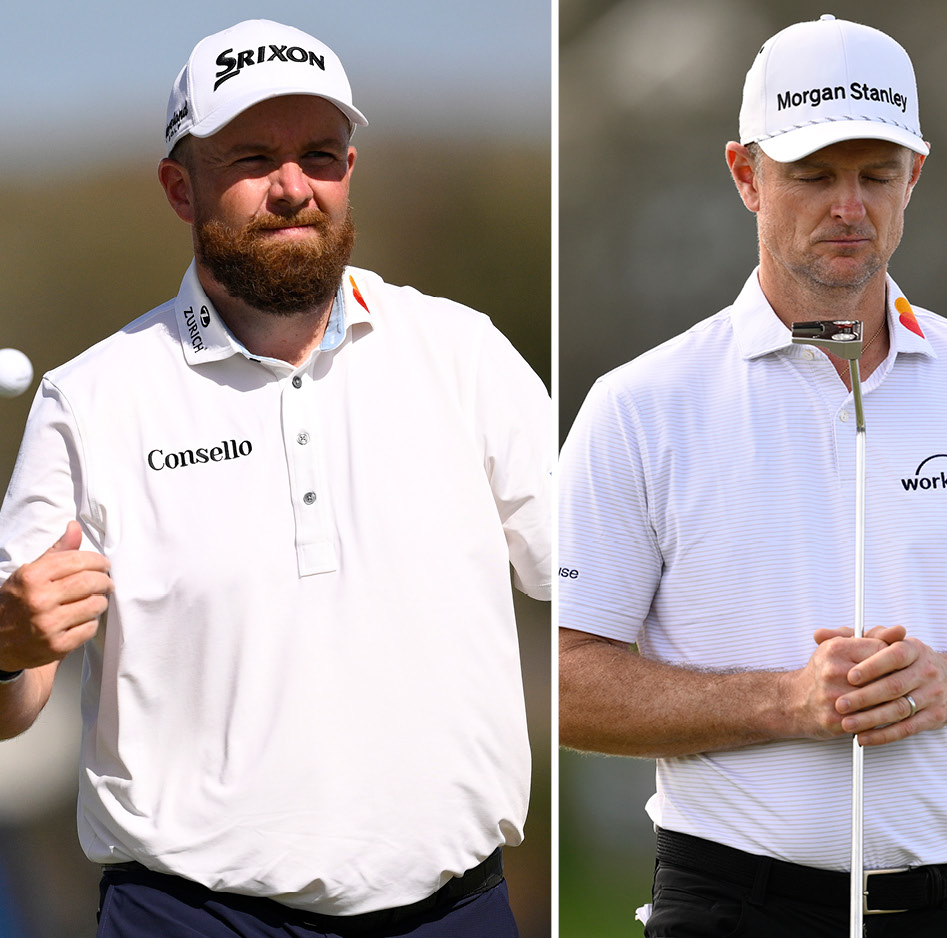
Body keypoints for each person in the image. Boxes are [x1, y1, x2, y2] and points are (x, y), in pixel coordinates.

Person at [557, 14, 947, 938]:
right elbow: (568, 683)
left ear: (913, 178)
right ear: (746, 175)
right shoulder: (640, 403)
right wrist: (786, 702)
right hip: (731, 904)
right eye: (812, 175)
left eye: (874, 174)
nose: (846, 205)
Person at [0, 19, 550, 937]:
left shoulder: (464, 353)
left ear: (349, 168)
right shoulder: (91, 398)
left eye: (320, 155)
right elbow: (15, 709)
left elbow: (592, 592)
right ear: (181, 187)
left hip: (455, 912)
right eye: (254, 157)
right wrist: (7, 643)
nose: (294, 188)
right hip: (189, 918)